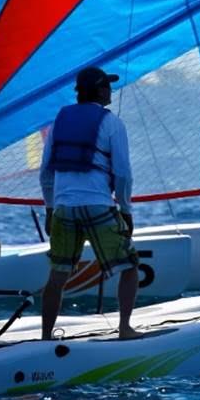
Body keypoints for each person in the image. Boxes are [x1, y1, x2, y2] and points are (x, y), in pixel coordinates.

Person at [39, 65, 140, 340]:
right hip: (98, 206)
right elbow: (123, 173)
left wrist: (50, 209)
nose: (111, 90)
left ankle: (46, 337)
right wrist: (126, 210)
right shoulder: (112, 123)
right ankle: (125, 329)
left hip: (63, 208)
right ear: (99, 90)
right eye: (107, 85)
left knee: (57, 276)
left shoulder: (59, 120)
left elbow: (46, 172)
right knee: (130, 267)